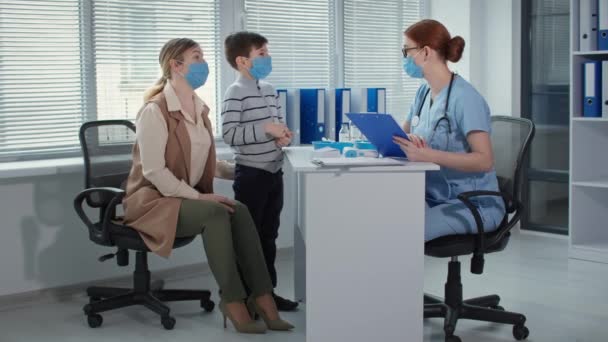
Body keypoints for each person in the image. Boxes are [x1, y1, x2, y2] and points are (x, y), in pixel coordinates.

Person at [122, 38, 293, 334]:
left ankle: (263, 298)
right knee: (215, 213)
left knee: (239, 210)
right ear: (176, 66)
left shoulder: (199, 109)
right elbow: (155, 172)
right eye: (196, 58)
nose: (204, 64)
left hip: (181, 197)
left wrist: (239, 172)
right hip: (153, 201)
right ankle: (233, 300)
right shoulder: (155, 110)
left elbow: (202, 162)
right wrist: (201, 197)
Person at [394, 20, 506, 241]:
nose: (404, 57)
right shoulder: (423, 94)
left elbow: (485, 161)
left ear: (425, 52)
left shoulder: (465, 98)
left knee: (406, 234)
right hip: (434, 197)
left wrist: (426, 155)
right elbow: (400, 135)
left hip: (473, 204)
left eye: (406, 50)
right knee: (379, 218)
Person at [221, 31, 298, 311]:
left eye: (267, 52)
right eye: (262, 54)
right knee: (248, 239)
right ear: (243, 61)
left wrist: (282, 135)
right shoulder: (235, 93)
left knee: (268, 236)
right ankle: (244, 298)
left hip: (273, 172)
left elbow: (277, 124)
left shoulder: (270, 90)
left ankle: (267, 295)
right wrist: (265, 129)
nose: (268, 58)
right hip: (251, 175)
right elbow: (229, 134)